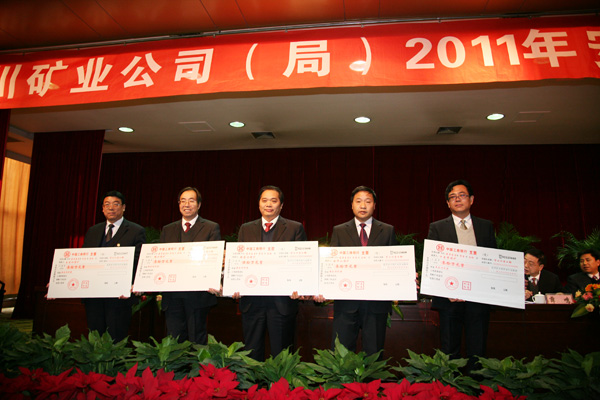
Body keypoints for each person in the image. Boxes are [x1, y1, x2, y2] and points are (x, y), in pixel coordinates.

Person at [427, 179, 497, 373]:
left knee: (478, 349)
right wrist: (446, 289)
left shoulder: (485, 226)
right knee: (450, 349)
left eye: (462, 195)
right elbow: (433, 261)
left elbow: (492, 260)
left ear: (472, 199)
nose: (457, 199)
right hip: (450, 299)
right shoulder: (437, 227)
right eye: (452, 197)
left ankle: (476, 384)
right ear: (448, 203)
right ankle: (452, 385)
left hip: (479, 298)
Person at [234, 185, 306, 361]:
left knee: (282, 353)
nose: (268, 204)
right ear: (259, 204)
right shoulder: (246, 229)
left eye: (273, 201)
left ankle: (281, 381)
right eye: (264, 200)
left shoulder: (294, 228)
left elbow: (302, 262)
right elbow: (239, 262)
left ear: (281, 205)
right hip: (252, 301)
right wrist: (235, 285)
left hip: (281, 302)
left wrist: (300, 286)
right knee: (251, 352)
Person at [329, 185, 397, 357]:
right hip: (346, 303)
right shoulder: (339, 230)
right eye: (358, 201)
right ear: (352, 205)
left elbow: (394, 263)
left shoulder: (387, 230)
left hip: (376, 304)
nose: (363, 205)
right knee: (342, 355)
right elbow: (331, 264)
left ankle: (372, 377)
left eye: (368, 201)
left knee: (374, 354)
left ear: (374, 205)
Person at [82, 190, 146, 342]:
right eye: (107, 204)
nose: (111, 208)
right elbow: (83, 260)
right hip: (94, 295)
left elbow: (139, 261)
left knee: (116, 338)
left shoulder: (136, 231)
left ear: (123, 207)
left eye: (116, 204)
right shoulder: (93, 231)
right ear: (102, 209)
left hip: (119, 297)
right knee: (95, 337)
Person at [159, 186, 221, 344]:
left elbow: (213, 259)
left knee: (197, 340)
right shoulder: (167, 229)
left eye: (191, 201)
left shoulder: (210, 227)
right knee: (174, 341)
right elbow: (161, 260)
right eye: (183, 201)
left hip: (197, 296)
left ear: (199, 205)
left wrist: (213, 280)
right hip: (172, 295)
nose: (186, 204)